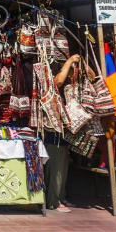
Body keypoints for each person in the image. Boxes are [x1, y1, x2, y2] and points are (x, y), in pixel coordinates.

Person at [45, 53, 80, 213]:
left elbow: (92, 76)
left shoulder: (68, 86)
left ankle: (59, 196)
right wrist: (69, 61)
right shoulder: (50, 84)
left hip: (64, 134)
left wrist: (80, 64)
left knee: (63, 165)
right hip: (54, 134)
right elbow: (57, 81)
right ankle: (54, 201)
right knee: (56, 167)